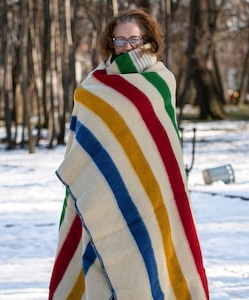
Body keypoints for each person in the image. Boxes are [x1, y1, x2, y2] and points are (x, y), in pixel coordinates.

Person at [48, 8, 209, 300]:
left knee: (151, 263)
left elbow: (164, 147)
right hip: (101, 194)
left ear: (148, 39)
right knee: (101, 257)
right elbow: (81, 144)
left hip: (152, 193)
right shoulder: (92, 87)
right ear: (111, 43)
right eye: (119, 40)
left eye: (133, 39)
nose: (126, 46)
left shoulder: (161, 81)